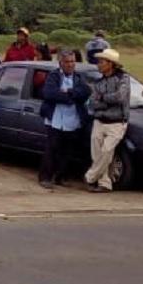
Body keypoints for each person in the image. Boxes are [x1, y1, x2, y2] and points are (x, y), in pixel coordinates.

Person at [38, 49, 91, 190]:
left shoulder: (78, 77)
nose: (70, 64)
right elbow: (49, 93)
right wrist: (70, 98)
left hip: (72, 119)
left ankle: (60, 177)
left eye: (73, 61)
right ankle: (45, 177)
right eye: (67, 62)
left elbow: (86, 92)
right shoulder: (53, 76)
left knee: (67, 151)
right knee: (52, 149)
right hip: (55, 119)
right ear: (61, 63)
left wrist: (68, 91)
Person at [85, 48, 130, 193]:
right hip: (99, 121)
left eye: (101, 62)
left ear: (110, 63)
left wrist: (103, 98)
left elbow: (120, 97)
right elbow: (92, 103)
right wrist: (106, 102)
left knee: (106, 151)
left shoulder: (123, 78)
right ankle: (104, 183)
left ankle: (90, 177)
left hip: (116, 122)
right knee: (97, 153)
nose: (98, 64)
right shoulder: (98, 82)